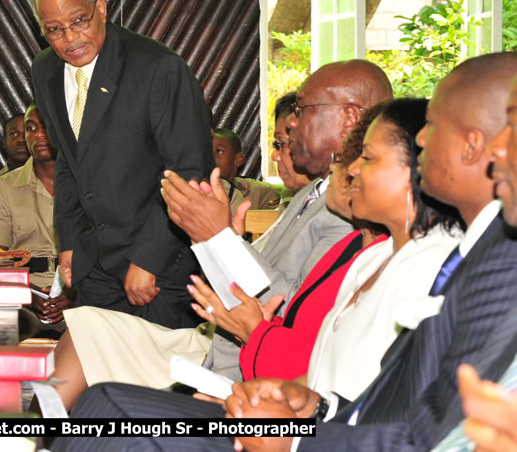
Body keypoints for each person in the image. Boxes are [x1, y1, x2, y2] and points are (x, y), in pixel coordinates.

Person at [49, 54, 517, 452]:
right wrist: (306, 404)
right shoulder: (374, 251)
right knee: (103, 400)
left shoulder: (454, 259)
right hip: (297, 405)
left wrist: (294, 433)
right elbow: (379, 393)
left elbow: (426, 426)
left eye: (366, 159)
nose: (293, 122)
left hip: (299, 416)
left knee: (110, 409)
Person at [221, 53, 517, 452]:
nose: (424, 140)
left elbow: (437, 433)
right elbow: (399, 402)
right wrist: (318, 406)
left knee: (122, 416)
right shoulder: (388, 255)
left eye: (367, 158)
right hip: (325, 423)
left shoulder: (474, 260)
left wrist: (296, 442)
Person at [162, 59, 391, 380]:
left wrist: (220, 238)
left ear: (349, 117)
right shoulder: (313, 189)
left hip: (262, 374)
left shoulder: (355, 212)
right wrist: (216, 239)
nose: (294, 122)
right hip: (225, 352)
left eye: (303, 109)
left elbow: (292, 307)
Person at [30, 0, 213, 329]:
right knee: (98, 378)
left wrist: (149, 259)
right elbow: (68, 160)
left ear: (101, 8)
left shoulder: (157, 68)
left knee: (155, 382)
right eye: (54, 30)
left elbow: (190, 172)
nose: (70, 38)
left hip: (159, 270)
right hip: (93, 266)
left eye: (79, 21)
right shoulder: (45, 70)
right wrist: (67, 241)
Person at [0, 103, 72, 334]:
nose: (39, 135)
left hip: (77, 293)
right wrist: (28, 293)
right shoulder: (5, 186)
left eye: (46, 127)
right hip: (22, 294)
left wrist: (72, 296)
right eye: (31, 128)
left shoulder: (86, 182)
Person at [213, 127, 282, 210]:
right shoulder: (197, 190)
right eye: (206, 151)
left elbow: (287, 193)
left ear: (238, 159)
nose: (210, 157)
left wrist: (285, 199)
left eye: (219, 151)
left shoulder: (252, 191)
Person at [271, 93, 312, 211]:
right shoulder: (291, 197)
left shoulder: (335, 207)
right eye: (275, 144)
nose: (274, 156)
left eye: (281, 143)